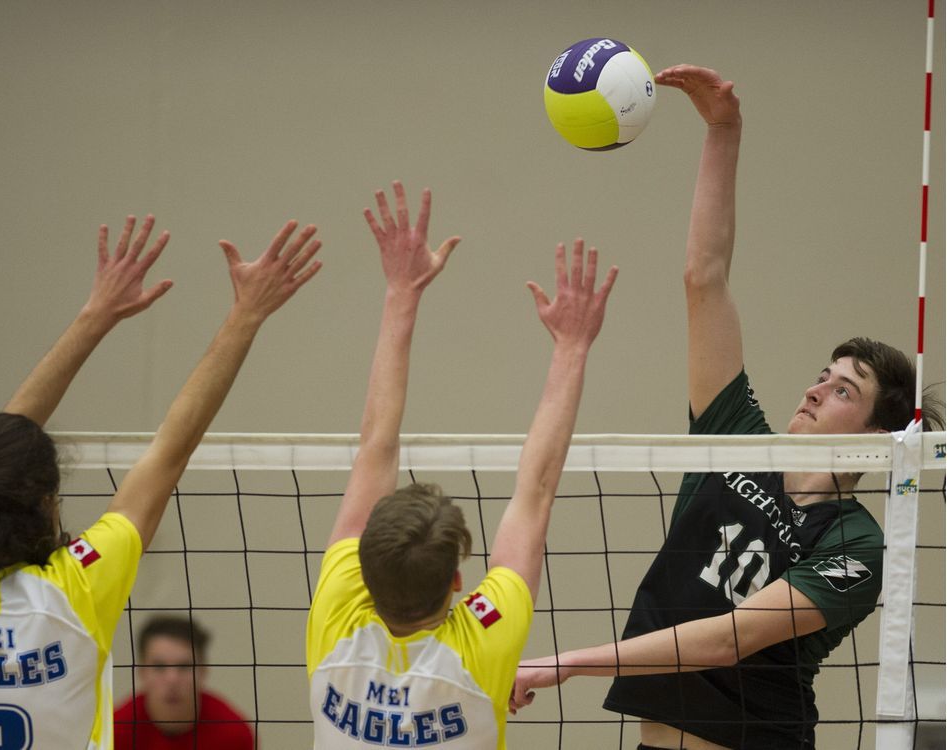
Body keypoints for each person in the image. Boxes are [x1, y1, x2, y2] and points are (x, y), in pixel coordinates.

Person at [510, 65, 945, 750]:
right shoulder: (737, 435)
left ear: (876, 435)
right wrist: (722, 130)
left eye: (843, 391)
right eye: (822, 375)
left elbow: (727, 639)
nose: (813, 390)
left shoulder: (856, 545)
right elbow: (702, 279)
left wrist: (565, 662)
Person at [0, 214, 321, 748]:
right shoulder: (75, 590)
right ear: (47, 503)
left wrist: (93, 317)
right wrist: (247, 314)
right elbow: (171, 449)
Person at [305, 181, 617, 749]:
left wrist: (401, 290)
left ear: (363, 571)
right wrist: (572, 346)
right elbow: (536, 491)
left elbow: (377, 445)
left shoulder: (335, 617)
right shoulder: (482, 645)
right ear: (456, 581)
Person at [113, 615, 255, 748]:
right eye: (159, 667)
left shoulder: (234, 735)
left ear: (203, 671)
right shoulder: (114, 733)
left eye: (185, 666)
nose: (172, 679)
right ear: (141, 672)